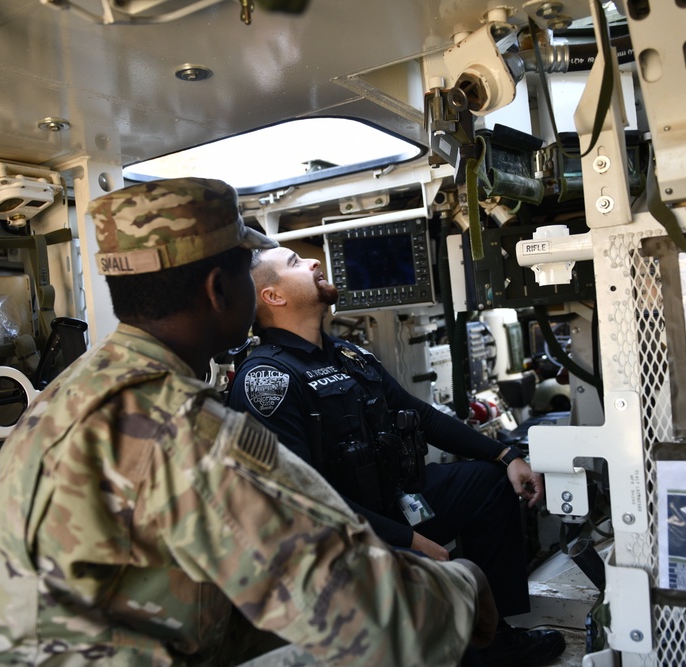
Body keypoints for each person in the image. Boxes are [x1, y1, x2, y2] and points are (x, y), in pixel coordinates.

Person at [0, 178, 501, 666]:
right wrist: (465, 588)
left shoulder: (71, 390)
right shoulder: (184, 430)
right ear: (220, 289)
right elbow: (373, 619)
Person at [228, 247, 567, 666]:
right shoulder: (267, 379)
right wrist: (409, 540)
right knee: (431, 602)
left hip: (396, 497)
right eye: (296, 263)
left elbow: (420, 414)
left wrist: (504, 453)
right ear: (273, 297)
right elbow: (301, 500)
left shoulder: (349, 355)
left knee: (489, 482)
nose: (314, 263)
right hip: (343, 534)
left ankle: (495, 638)